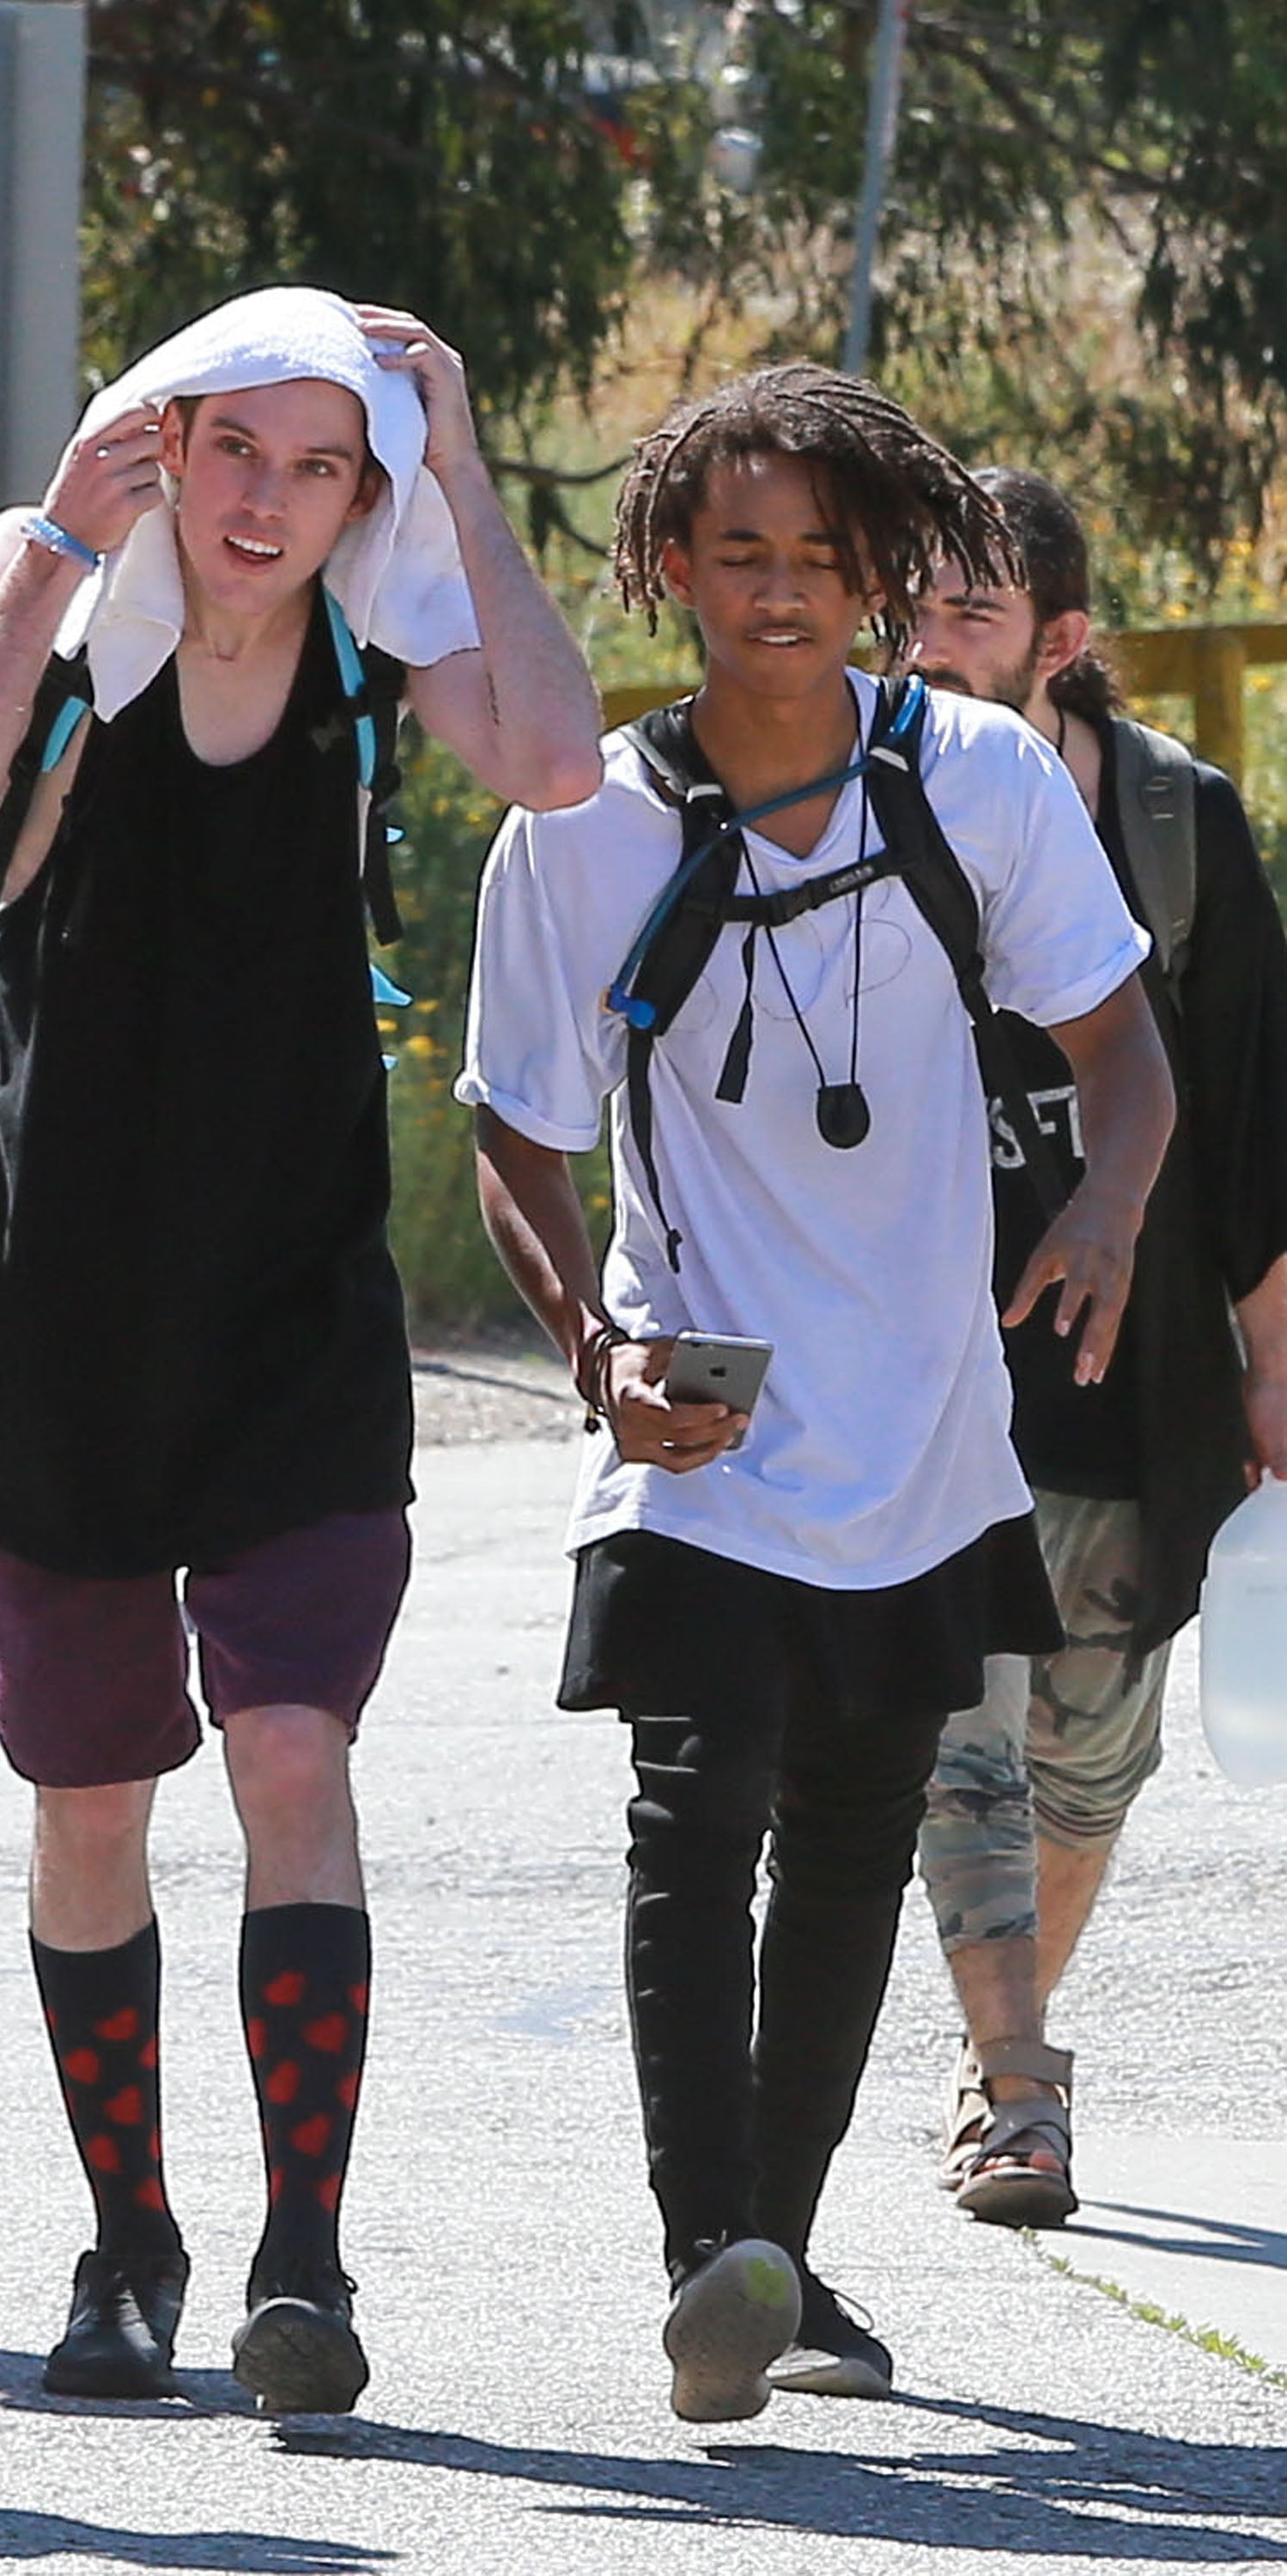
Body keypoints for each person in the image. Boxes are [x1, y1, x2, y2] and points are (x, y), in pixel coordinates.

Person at [0, 285, 602, 2415]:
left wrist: (455, 470)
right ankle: (128, 2244)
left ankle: (304, 2256)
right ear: (159, 442)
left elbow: (552, 759)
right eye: (235, 450)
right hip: (52, 1311)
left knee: (292, 1749)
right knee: (90, 1801)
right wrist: (53, 579)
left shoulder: (380, 632)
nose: (271, 500)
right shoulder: (46, 581)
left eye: (321, 463)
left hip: (290, 1307)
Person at [462, 366, 1172, 2421]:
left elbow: (1122, 1055)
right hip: (699, 1429)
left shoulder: (971, 778)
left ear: (877, 577)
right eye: (739, 553)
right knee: (695, 1813)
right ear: (669, 567)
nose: (779, 593)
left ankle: (772, 2254)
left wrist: (1110, 1214)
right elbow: (517, 1132)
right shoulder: (584, 826)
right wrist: (594, 1358)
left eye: (819, 560)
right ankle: (714, 2251)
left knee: (858, 1829)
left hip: (927, 1424)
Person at [904, 466, 1287, 2227]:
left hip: (1132, 1384)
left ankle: (1005, 2038)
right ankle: (1014, 2090)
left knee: (1081, 1761)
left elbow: (1251, 1125)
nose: (924, 641)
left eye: (968, 613)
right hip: (922, 1369)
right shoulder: (849, 798)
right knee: (959, 1747)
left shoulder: (1172, 824)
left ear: (1061, 643)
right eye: (906, 604)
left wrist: (1273, 1362)